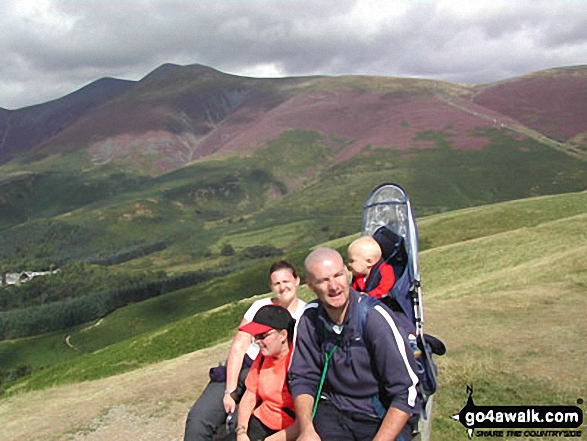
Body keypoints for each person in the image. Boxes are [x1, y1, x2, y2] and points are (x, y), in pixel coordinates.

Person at [288, 247, 421, 441]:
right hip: (335, 410)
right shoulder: (309, 319)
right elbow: (302, 378)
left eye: (338, 275)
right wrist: (306, 429)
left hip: (378, 413)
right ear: (310, 286)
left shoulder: (374, 318)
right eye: (323, 281)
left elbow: (406, 390)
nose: (334, 286)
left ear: (347, 273)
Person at [184, 261, 306, 441]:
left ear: (297, 280)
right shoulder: (259, 306)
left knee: (237, 422)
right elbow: (239, 347)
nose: (282, 287)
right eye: (276, 283)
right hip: (245, 368)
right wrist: (230, 391)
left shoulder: (306, 313)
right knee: (198, 419)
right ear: (271, 286)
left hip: (272, 376)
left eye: (286, 281)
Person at [221, 305, 299, 441]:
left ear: (283, 335)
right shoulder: (263, 357)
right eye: (255, 337)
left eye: (262, 336)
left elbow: (306, 421)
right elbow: (250, 396)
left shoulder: (298, 362)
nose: (257, 342)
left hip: (288, 432)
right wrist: (241, 432)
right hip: (260, 423)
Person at [348, 236, 420, 356]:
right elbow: (353, 289)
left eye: (352, 261)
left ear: (369, 262)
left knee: (399, 320)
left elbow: (385, 286)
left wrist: (369, 295)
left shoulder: (384, 270)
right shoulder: (359, 277)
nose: (349, 264)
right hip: (370, 307)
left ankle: (411, 341)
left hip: (388, 304)